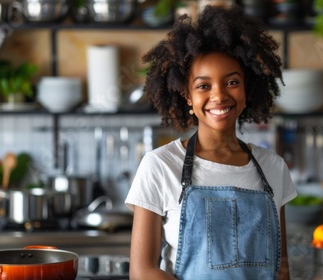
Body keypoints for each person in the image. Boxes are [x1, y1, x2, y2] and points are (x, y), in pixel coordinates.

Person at [125, 5, 297, 280]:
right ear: (187, 95)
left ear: (246, 89)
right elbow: (142, 271)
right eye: (204, 86)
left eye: (232, 82)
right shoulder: (159, 165)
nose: (219, 96)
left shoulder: (273, 167)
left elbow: (281, 267)